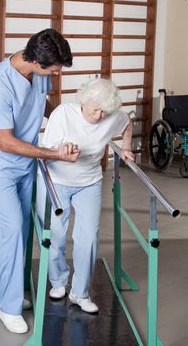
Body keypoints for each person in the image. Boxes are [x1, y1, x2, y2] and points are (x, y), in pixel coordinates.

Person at [0, 28, 80, 334]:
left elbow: (40, 104)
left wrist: (63, 121)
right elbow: (5, 142)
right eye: (55, 70)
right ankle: (9, 305)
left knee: (22, 227)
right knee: (12, 227)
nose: (56, 75)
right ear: (36, 61)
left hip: (24, 162)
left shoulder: (39, 73)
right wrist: (53, 154)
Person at [36, 78, 135, 314]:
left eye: (105, 111)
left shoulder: (112, 115)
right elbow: (46, 153)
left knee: (88, 237)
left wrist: (128, 146)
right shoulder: (63, 114)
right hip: (57, 179)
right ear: (84, 101)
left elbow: (126, 123)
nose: (100, 116)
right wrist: (64, 153)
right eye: (95, 110)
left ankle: (80, 292)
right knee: (56, 234)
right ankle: (58, 281)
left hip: (89, 182)